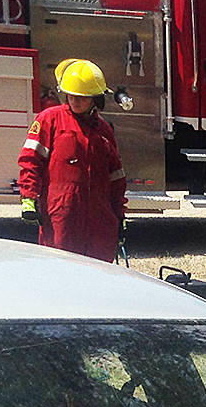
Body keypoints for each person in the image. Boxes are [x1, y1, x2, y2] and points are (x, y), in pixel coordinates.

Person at [18, 58, 126, 262]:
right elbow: (31, 161)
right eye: (71, 95)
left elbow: (116, 177)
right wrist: (29, 198)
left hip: (99, 220)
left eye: (82, 98)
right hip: (62, 216)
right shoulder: (49, 120)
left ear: (95, 98)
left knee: (98, 273)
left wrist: (119, 215)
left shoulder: (104, 130)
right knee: (61, 267)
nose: (75, 101)